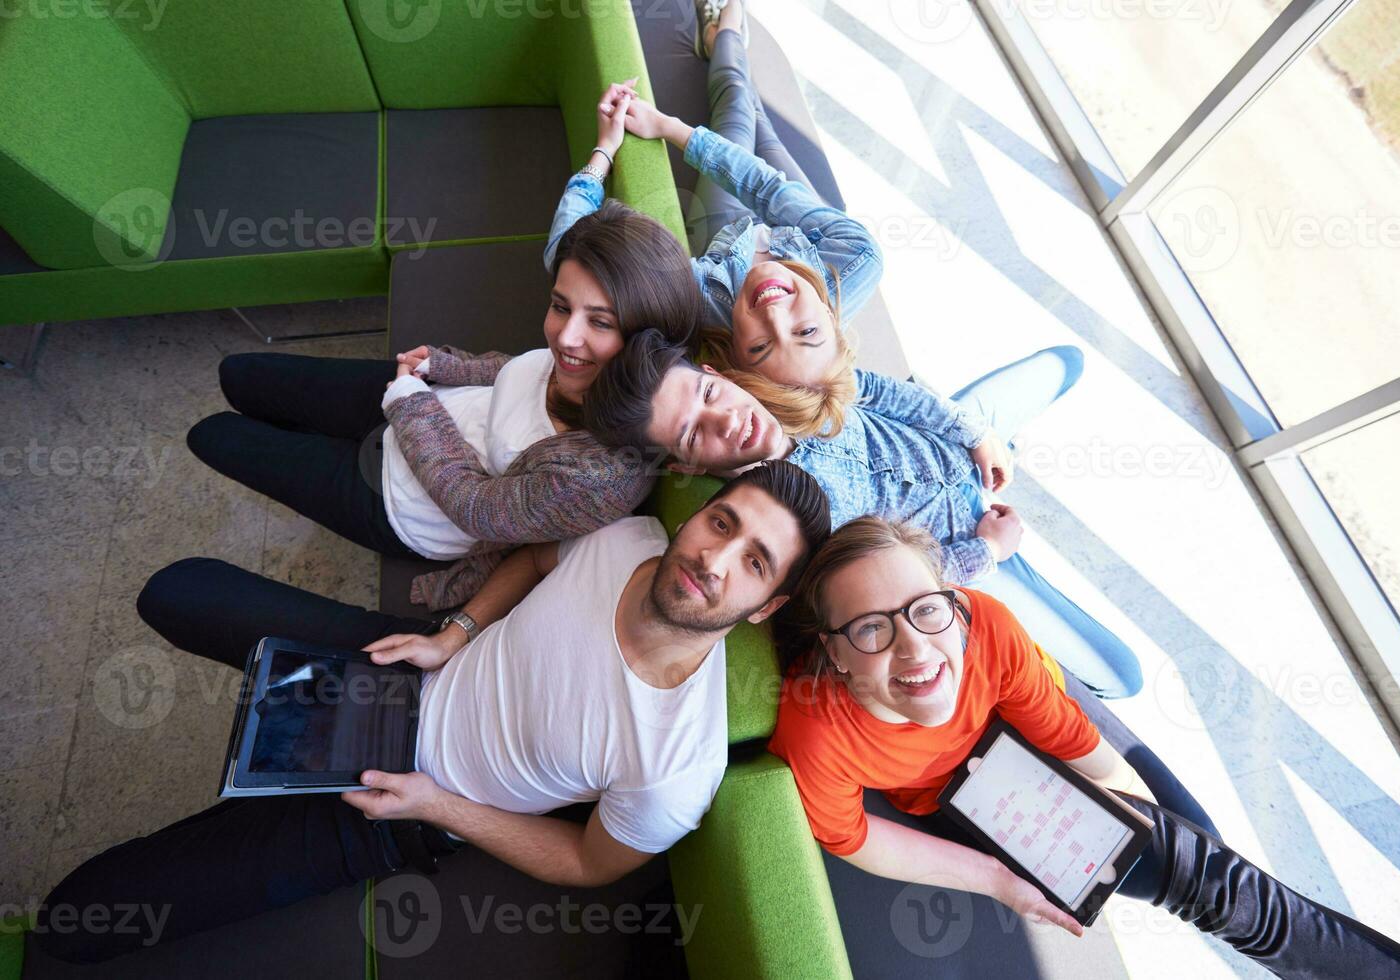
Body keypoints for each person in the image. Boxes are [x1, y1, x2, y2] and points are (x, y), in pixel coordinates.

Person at [35, 462, 832, 964]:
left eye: (753, 562)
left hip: (409, 804)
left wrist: (436, 805)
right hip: (405, 665)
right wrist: (456, 631)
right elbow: (532, 559)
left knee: (81, 915)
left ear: (769, 605)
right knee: (178, 592)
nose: (711, 558)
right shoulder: (633, 539)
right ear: (699, 513)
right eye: (720, 522)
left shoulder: (677, 762)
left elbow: (586, 864)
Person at [768, 516, 1400, 978]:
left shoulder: (984, 623)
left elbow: (1061, 729)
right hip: (967, 795)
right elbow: (854, 838)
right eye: (871, 628)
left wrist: (1129, 813)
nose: (912, 646)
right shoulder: (814, 732)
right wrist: (996, 880)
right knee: (1211, 883)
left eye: (925, 610)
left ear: (951, 603)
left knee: (1200, 846)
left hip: (1025, 728)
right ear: (833, 650)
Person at [187, 149, 701, 612]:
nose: (566, 337)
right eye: (560, 306)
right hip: (424, 398)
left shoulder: (604, 477)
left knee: (216, 437)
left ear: (645, 343)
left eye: (601, 322)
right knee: (241, 374)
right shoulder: (579, 357)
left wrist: (411, 404)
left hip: (400, 499)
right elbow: (518, 369)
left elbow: (476, 509)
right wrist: (448, 366)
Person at [583, 329, 1144, 699]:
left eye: (709, 394)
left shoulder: (787, 381)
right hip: (966, 535)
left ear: (718, 375)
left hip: (956, 439)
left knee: (1068, 361)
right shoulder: (784, 522)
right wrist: (990, 550)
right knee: (1119, 678)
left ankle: (1000, 437)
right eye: (694, 434)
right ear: (684, 464)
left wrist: (977, 435)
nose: (726, 421)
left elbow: (883, 393)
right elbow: (903, 587)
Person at [546, 0, 880, 395]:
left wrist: (603, 151)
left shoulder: (702, 302)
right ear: (831, 317)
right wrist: (669, 127)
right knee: (758, 124)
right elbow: (767, 188)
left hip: (726, 225)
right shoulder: (857, 260)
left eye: (761, 345)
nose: (774, 313)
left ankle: (725, 35)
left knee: (741, 107)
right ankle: (726, 38)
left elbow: (565, 255)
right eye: (805, 330)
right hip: (792, 214)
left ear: (735, 349)